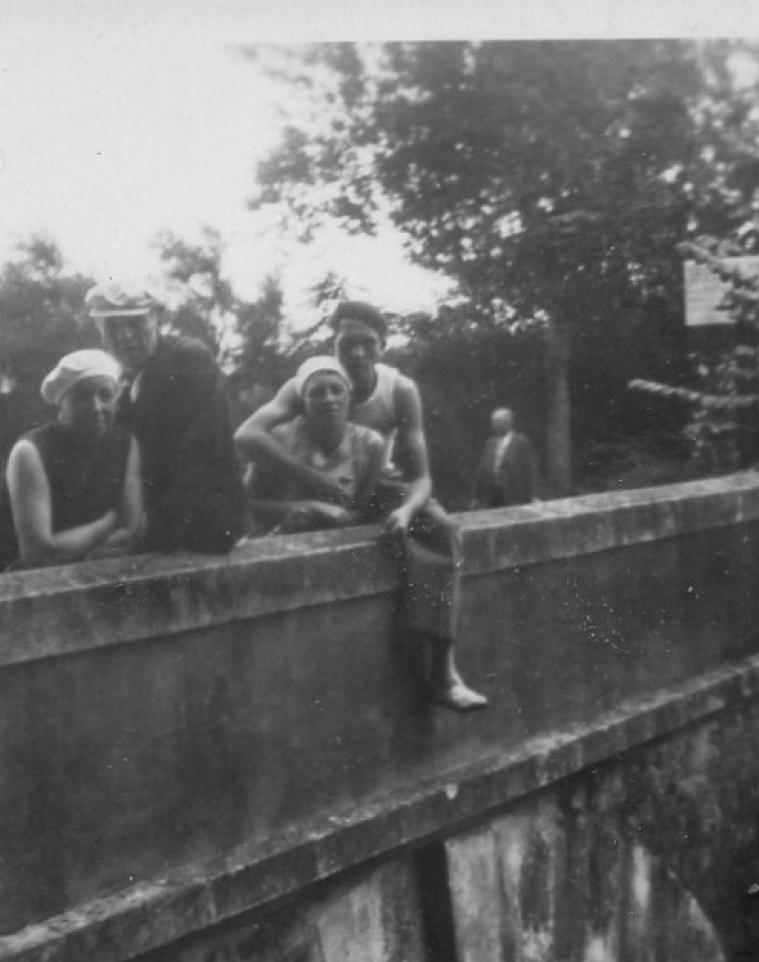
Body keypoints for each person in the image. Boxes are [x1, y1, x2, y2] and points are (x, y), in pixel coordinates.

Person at [235, 299, 488, 712]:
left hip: (373, 482)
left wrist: (405, 513)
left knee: (441, 531)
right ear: (333, 345)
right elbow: (246, 436)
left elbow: (422, 477)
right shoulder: (312, 382)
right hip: (316, 489)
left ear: (382, 347)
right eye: (346, 344)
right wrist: (313, 485)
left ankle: (444, 670)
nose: (356, 354)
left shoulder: (398, 390)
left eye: (367, 344)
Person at [0, 349, 142, 577]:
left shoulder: (125, 444)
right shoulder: (30, 451)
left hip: (51, 572)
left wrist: (86, 545)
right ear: (61, 405)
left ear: (116, 399)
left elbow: (130, 528)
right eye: (82, 396)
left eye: (105, 395)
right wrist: (105, 526)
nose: (96, 407)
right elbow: (38, 553)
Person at [86, 281, 247, 555]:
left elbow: (199, 454)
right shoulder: (120, 387)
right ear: (101, 334)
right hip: (160, 526)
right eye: (113, 327)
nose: (125, 336)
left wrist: (145, 527)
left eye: (135, 324)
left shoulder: (187, 359)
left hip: (207, 526)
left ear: (155, 321)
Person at [244, 357, 387, 536]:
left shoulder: (370, 443)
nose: (329, 399)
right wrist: (309, 507)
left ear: (349, 396)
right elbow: (245, 503)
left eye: (337, 390)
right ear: (303, 400)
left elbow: (362, 509)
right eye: (317, 393)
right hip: (279, 540)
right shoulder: (278, 439)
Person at [471, 406, 543, 509]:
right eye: (493, 421)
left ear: (508, 422)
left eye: (497, 421)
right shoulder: (490, 443)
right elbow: (482, 470)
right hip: (491, 494)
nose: (494, 425)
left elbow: (531, 470)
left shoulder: (521, 442)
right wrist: (476, 496)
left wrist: (535, 496)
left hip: (513, 494)